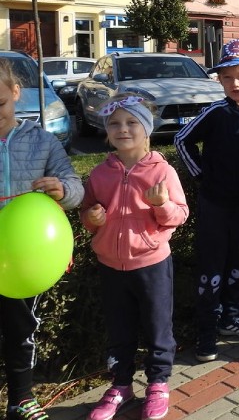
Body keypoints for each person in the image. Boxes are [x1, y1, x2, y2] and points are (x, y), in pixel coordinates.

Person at [81, 94, 188, 420]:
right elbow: (87, 214)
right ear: (106, 131)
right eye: (114, 123)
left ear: (147, 129)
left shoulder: (162, 171)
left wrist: (161, 205)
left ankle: (158, 384)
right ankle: (120, 385)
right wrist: (92, 219)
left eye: (131, 122)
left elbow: (180, 215)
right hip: (110, 265)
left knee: (157, 328)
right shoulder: (100, 174)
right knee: (119, 329)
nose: (122, 129)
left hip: (151, 263)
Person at [175, 39, 239, 363]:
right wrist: (202, 176)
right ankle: (206, 333)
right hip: (215, 206)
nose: (234, 83)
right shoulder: (215, 113)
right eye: (226, 77)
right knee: (211, 270)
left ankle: (231, 319)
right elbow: (182, 140)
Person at [0, 59, 84, 420]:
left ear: (16, 93)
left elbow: (77, 187)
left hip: (24, 260)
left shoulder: (42, 141)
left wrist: (61, 189)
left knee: (20, 330)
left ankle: (21, 398)